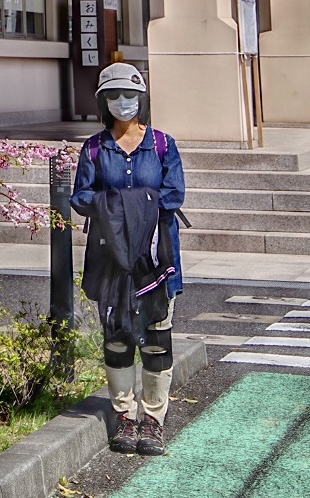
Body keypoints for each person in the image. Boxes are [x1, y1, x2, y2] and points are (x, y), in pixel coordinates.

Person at [70, 62, 185, 458]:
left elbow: (174, 194)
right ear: (103, 102)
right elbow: (80, 197)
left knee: (156, 337)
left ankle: (153, 419)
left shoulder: (163, 145)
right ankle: (125, 416)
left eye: (131, 96)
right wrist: (115, 205)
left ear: (143, 99)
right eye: (115, 96)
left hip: (155, 257)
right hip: (110, 258)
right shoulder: (94, 148)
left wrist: (124, 207)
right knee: (117, 337)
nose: (124, 103)